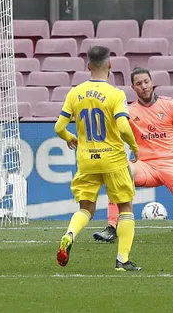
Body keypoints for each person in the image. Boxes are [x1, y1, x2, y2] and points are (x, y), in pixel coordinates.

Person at [93, 67, 173, 244]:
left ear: (152, 82)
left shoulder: (171, 106)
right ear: (133, 88)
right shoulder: (129, 112)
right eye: (139, 84)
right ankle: (112, 228)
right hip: (145, 165)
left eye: (146, 82)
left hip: (172, 164)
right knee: (119, 173)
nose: (144, 86)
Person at [55, 45, 141, 271]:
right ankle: (122, 260)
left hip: (86, 159)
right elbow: (123, 127)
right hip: (113, 159)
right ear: (110, 65)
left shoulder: (75, 93)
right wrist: (134, 146)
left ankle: (70, 235)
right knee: (125, 208)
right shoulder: (116, 94)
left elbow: (59, 127)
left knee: (86, 208)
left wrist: (70, 137)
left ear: (88, 66)